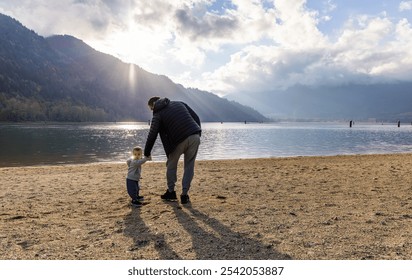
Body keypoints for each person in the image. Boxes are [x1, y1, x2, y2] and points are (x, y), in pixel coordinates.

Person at [144, 97, 201, 204]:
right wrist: (198, 133)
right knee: (189, 166)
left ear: (153, 105)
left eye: (151, 108)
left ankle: (171, 192)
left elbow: (152, 134)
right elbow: (196, 117)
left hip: (177, 141)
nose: (152, 111)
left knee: (171, 165)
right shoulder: (180, 103)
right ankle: (184, 195)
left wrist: (147, 152)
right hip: (194, 136)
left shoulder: (158, 114)